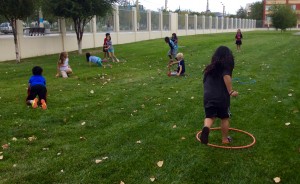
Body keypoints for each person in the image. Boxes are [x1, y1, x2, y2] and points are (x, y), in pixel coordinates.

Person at [200, 46, 238, 145]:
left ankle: (206, 128)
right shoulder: (225, 67)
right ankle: (225, 139)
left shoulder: (210, 68)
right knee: (224, 118)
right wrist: (231, 91)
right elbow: (226, 76)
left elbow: (205, 82)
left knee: (210, 116)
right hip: (221, 97)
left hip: (208, 96)